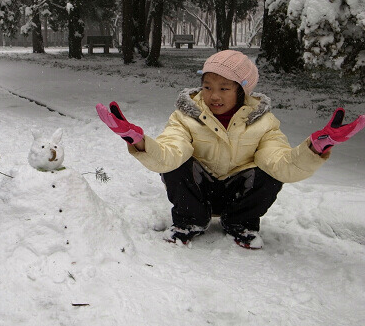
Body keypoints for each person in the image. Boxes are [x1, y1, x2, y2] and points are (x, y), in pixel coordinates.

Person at [97, 50, 365, 249]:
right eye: (207, 87)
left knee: (270, 171)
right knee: (179, 163)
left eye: (224, 88)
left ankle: (241, 222)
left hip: (239, 193)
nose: (214, 96)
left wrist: (316, 148)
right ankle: (190, 220)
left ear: (243, 91)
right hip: (198, 191)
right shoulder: (185, 117)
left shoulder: (264, 123)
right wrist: (139, 141)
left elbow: (282, 164)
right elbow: (169, 153)